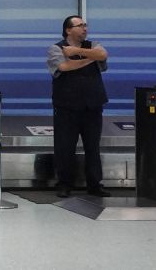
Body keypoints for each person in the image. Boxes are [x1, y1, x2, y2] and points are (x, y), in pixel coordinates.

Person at [46, 15, 111, 198]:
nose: (84, 28)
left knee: (93, 146)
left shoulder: (93, 44)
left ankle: (95, 184)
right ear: (68, 30)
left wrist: (77, 51)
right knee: (65, 146)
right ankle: (65, 184)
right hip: (67, 106)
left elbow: (103, 55)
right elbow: (65, 66)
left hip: (93, 104)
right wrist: (90, 58)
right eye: (80, 25)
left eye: (85, 25)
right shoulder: (55, 49)